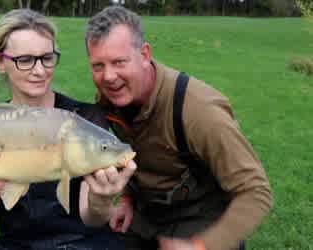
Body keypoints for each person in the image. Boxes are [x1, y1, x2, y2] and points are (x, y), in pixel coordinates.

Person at [84, 6, 273, 250]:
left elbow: (256, 191)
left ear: (144, 54)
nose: (108, 77)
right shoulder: (112, 98)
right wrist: (128, 199)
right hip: (148, 212)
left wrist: (202, 246)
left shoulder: (199, 110)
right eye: (98, 66)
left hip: (200, 217)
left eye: (119, 62)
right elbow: (134, 150)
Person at [0, 9, 136, 250]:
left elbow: (93, 218)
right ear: (0, 61)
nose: (40, 71)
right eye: (25, 60)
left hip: (85, 242)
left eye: (47, 58)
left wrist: (101, 199)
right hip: (18, 244)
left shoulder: (86, 120)